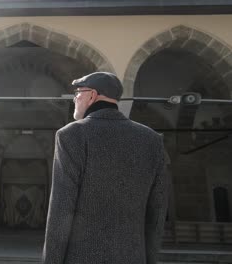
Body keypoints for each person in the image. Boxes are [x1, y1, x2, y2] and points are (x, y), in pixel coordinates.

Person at [42, 72, 169, 264]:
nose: (75, 98)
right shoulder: (151, 139)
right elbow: (158, 210)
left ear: (92, 95)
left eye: (78, 93)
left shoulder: (72, 134)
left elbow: (61, 208)